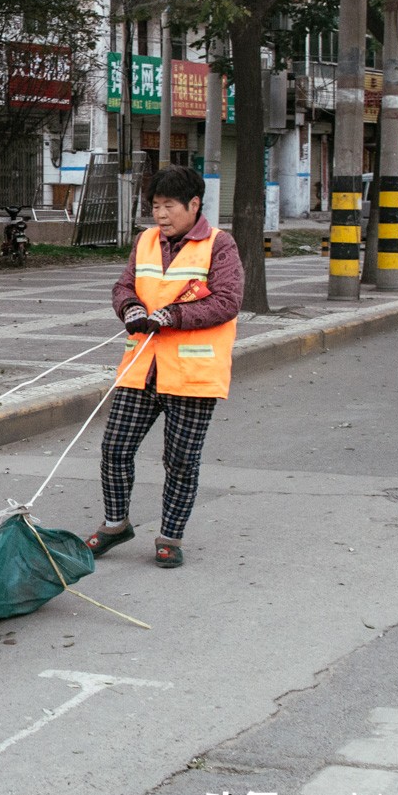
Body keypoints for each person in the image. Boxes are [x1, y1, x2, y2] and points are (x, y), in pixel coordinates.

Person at [85, 165, 243, 569]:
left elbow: (226, 301)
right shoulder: (146, 241)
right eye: (155, 206)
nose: (160, 215)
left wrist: (171, 316)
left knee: (181, 461)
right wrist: (132, 307)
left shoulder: (220, 246)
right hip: (141, 368)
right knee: (115, 448)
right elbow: (124, 286)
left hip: (192, 376)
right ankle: (115, 524)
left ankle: (170, 537)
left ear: (194, 205)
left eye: (169, 206)